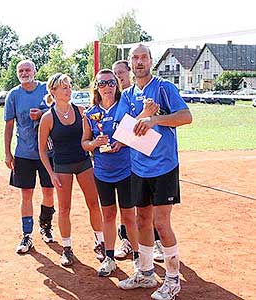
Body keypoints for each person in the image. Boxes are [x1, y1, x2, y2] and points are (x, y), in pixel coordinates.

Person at [116, 44, 192, 300]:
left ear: (151, 60)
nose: (139, 62)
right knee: (141, 221)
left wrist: (156, 119)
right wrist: (144, 115)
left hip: (164, 166)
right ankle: (146, 272)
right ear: (130, 62)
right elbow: (122, 131)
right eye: (135, 58)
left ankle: (172, 281)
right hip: (139, 167)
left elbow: (186, 117)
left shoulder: (163, 88)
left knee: (161, 222)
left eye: (144, 57)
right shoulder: (126, 95)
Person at [38, 73, 104, 266]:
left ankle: (100, 242)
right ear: (53, 91)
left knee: (93, 203)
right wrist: (51, 174)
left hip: (83, 162)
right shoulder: (48, 118)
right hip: (62, 166)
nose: (69, 90)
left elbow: (92, 136)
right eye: (64, 86)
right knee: (64, 208)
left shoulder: (82, 111)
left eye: (69, 85)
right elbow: (42, 150)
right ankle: (67, 248)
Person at [81, 69, 139, 276]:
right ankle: (109, 257)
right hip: (103, 173)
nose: (107, 87)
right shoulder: (90, 113)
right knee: (108, 214)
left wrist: (122, 143)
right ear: (96, 86)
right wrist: (95, 143)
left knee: (129, 217)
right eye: (102, 83)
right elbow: (84, 143)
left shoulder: (126, 108)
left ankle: (138, 258)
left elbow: (138, 135)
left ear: (117, 84)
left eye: (111, 82)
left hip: (126, 170)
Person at [112, 59, 165, 262]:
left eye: (121, 73)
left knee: (147, 206)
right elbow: (120, 131)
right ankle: (126, 239)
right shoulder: (116, 97)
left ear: (130, 72)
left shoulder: (140, 93)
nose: (119, 77)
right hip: (122, 158)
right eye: (115, 74)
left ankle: (157, 242)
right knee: (127, 205)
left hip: (141, 157)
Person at [4, 59, 56, 254]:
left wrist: (42, 113)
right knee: (26, 194)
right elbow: (9, 125)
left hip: (48, 151)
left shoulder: (46, 89)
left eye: (28, 70)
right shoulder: (14, 95)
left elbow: (58, 110)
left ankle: (46, 226)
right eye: (21, 70)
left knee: (49, 192)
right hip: (24, 152)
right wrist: (8, 152)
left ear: (35, 71)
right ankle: (27, 235)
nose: (24, 73)